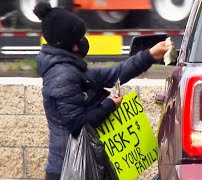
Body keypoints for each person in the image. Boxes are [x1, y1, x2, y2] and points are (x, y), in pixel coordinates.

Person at [33, 2, 168, 180]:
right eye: (79, 38)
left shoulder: (70, 69)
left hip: (84, 163)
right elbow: (78, 126)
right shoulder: (63, 76)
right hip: (71, 169)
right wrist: (109, 104)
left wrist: (149, 55)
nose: (83, 42)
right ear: (70, 44)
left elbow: (113, 74)